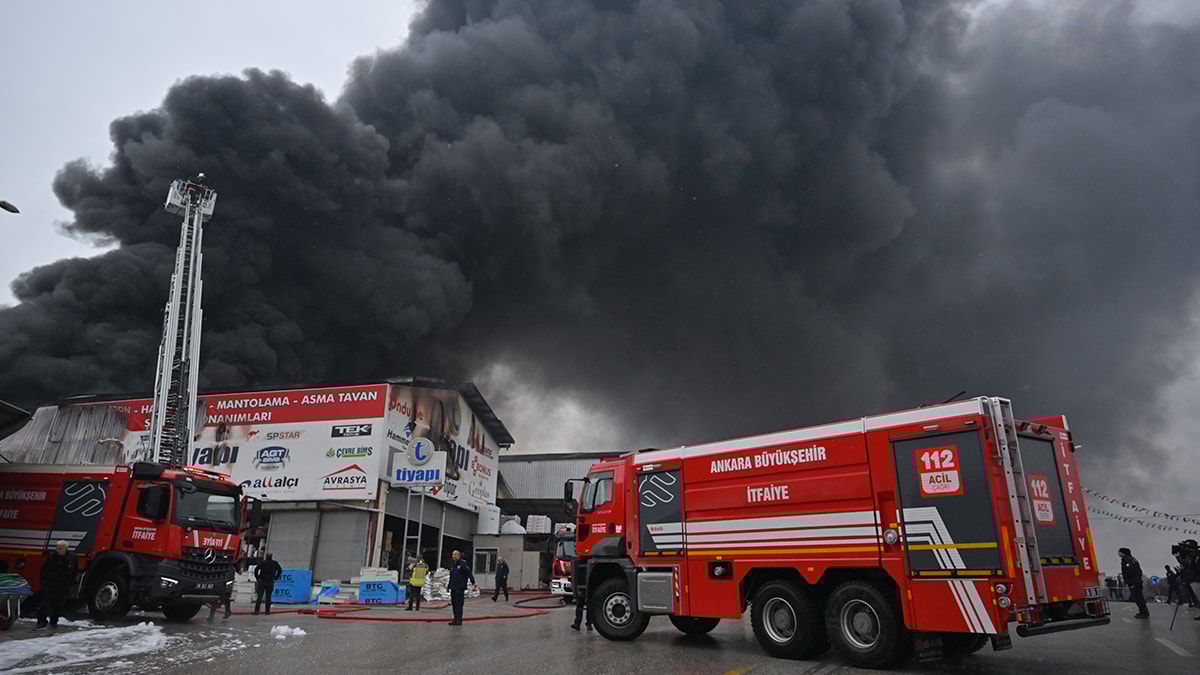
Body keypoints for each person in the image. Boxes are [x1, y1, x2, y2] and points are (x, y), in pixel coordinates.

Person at [36, 541, 76, 630]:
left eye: (60, 548)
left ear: (66, 548)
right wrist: (43, 581)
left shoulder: (72, 558)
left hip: (63, 583)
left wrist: (70, 581)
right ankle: (41, 622)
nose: (58, 550)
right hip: (50, 582)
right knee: (44, 603)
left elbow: (74, 570)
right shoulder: (51, 556)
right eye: (57, 548)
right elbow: (44, 568)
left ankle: (54, 621)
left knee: (60, 604)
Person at [447, 550, 477, 626]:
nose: (454, 556)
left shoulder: (463, 564)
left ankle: (459, 620)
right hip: (453, 587)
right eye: (453, 554)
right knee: (454, 604)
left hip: (460, 587)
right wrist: (448, 586)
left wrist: (473, 583)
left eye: (455, 554)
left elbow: (469, 573)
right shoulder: (453, 565)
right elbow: (451, 576)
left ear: (459, 556)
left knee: (459, 604)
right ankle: (455, 619)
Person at [1118, 547, 1149, 618]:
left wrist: (1127, 577)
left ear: (1123, 553)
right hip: (1137, 581)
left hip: (1133, 582)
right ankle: (1143, 611)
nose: (1118, 553)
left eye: (1119, 552)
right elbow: (1139, 571)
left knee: (1138, 597)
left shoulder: (1127, 560)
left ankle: (1144, 612)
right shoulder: (1133, 559)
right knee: (1138, 597)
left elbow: (1130, 569)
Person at [570, 561, 591, 631]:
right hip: (586, 583)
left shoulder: (580, 562)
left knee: (580, 605)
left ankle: (579, 623)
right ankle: (588, 624)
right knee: (587, 604)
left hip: (582, 583)